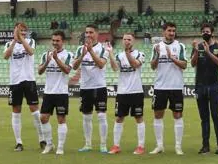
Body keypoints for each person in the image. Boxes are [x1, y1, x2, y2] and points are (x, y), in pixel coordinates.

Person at [3, 22, 44, 152]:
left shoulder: (30, 41)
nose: (22, 32)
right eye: (19, 30)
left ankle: (42, 139)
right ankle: (19, 142)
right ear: (15, 30)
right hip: (15, 82)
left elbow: (30, 52)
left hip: (29, 80)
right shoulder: (9, 44)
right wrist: (15, 42)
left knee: (35, 111)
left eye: (23, 30)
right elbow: (6, 56)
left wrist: (21, 39)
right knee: (16, 111)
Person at [149, 22, 187, 154]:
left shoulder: (180, 46)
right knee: (158, 115)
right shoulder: (156, 47)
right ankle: (159, 145)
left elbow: (184, 65)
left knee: (177, 115)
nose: (172, 33)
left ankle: (178, 146)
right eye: (169, 30)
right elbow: (153, 66)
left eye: (173, 31)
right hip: (160, 87)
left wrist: (172, 58)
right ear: (163, 32)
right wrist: (159, 55)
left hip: (176, 86)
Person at [72, 24, 109, 153]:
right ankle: (88, 144)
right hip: (85, 87)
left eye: (91, 32)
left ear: (97, 34)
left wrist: (91, 51)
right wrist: (82, 55)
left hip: (99, 86)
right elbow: (74, 66)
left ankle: (103, 144)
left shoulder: (102, 49)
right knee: (86, 116)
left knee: (101, 116)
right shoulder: (79, 49)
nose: (88, 35)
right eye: (86, 32)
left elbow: (100, 64)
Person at [108, 33, 146, 155]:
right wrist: (110, 54)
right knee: (119, 118)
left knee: (138, 118)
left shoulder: (140, 54)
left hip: (136, 91)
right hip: (122, 92)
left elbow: (135, 65)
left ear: (133, 41)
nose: (126, 41)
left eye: (129, 39)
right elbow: (115, 68)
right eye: (124, 39)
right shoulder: (119, 56)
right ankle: (116, 146)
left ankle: (141, 146)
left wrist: (128, 53)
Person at [191, 23, 218, 154]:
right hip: (200, 86)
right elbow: (193, 63)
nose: (205, 33)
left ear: (212, 32)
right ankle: (205, 146)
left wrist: (208, 53)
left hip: (214, 86)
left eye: (207, 31)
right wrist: (195, 51)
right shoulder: (198, 46)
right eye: (203, 31)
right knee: (204, 117)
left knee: (216, 116)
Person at [37, 31, 72, 155]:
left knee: (61, 119)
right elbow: (40, 71)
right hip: (48, 92)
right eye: (53, 40)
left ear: (62, 41)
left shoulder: (68, 55)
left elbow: (67, 70)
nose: (55, 43)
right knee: (43, 118)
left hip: (61, 92)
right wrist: (47, 61)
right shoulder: (46, 55)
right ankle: (49, 144)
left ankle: (61, 147)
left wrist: (56, 59)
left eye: (57, 40)